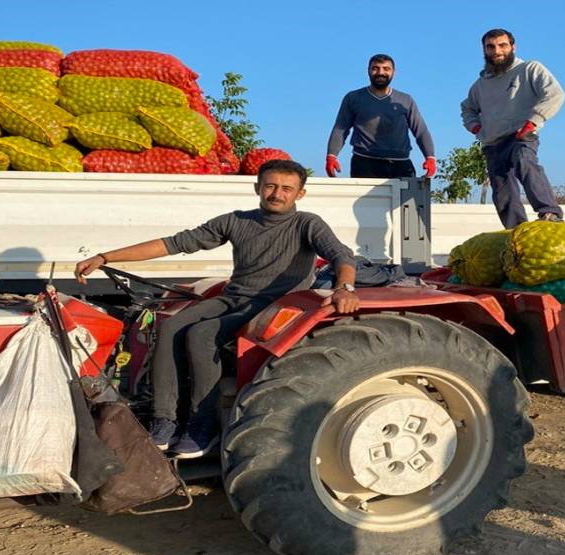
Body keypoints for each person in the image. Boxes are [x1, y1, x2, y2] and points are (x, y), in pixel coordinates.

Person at [74, 160, 359, 459]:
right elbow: (174, 243)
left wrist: (345, 287)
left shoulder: (307, 224)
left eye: (286, 188)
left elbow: (341, 254)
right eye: (271, 186)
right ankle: (164, 420)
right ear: (258, 188)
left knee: (202, 333)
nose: (277, 193)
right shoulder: (236, 221)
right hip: (234, 297)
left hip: (277, 304)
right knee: (169, 326)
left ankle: (202, 424)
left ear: (299, 194)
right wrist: (106, 257)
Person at [460, 28, 565, 228]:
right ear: (484, 50)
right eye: (490, 47)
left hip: (521, 135)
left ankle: (550, 213)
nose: (497, 51)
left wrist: (533, 120)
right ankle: (516, 230)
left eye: (502, 45)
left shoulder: (529, 69)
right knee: (502, 191)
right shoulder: (480, 84)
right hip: (492, 143)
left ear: (513, 47)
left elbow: (555, 94)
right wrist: (476, 128)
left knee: (525, 163)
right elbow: (467, 108)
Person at [326, 54, 437, 180]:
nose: (380, 72)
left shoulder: (405, 100)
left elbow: (421, 131)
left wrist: (430, 157)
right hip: (365, 163)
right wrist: (332, 155)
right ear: (368, 70)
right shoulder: (353, 98)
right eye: (375, 68)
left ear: (393, 72)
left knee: (407, 199)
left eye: (386, 69)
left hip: (400, 163)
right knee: (369, 200)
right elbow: (341, 128)